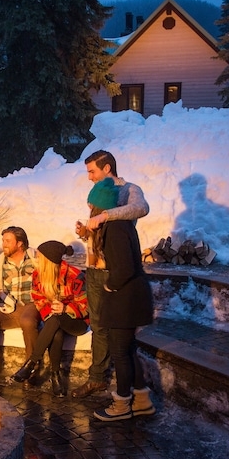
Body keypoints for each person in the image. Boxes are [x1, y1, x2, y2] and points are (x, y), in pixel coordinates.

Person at [71, 149, 149, 399]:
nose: (89, 176)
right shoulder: (98, 193)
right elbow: (99, 231)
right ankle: (98, 378)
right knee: (98, 326)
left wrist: (106, 215)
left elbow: (141, 208)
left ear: (107, 168)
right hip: (94, 269)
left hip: (113, 272)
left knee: (117, 333)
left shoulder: (127, 189)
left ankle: (124, 388)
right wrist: (86, 232)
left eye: (92, 171)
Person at [85, 178, 155, 421]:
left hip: (125, 298)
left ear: (99, 208)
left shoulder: (114, 229)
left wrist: (109, 284)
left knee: (119, 352)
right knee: (127, 349)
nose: (89, 211)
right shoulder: (122, 225)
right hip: (132, 296)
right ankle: (142, 399)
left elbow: (123, 269)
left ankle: (122, 405)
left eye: (90, 206)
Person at [12, 241, 88, 396]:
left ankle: (32, 362)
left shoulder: (75, 275)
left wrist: (66, 308)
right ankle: (55, 375)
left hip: (77, 320)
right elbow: (38, 299)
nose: (37, 260)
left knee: (56, 320)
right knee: (56, 331)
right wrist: (52, 310)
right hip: (53, 317)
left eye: (40, 257)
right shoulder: (37, 275)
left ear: (49, 261)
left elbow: (86, 306)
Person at [0, 227, 41, 381]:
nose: (3, 244)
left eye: (7, 241)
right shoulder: (0, 261)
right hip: (9, 304)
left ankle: (31, 367)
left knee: (27, 321)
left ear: (19, 244)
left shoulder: (35, 257)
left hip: (32, 303)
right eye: (3, 240)